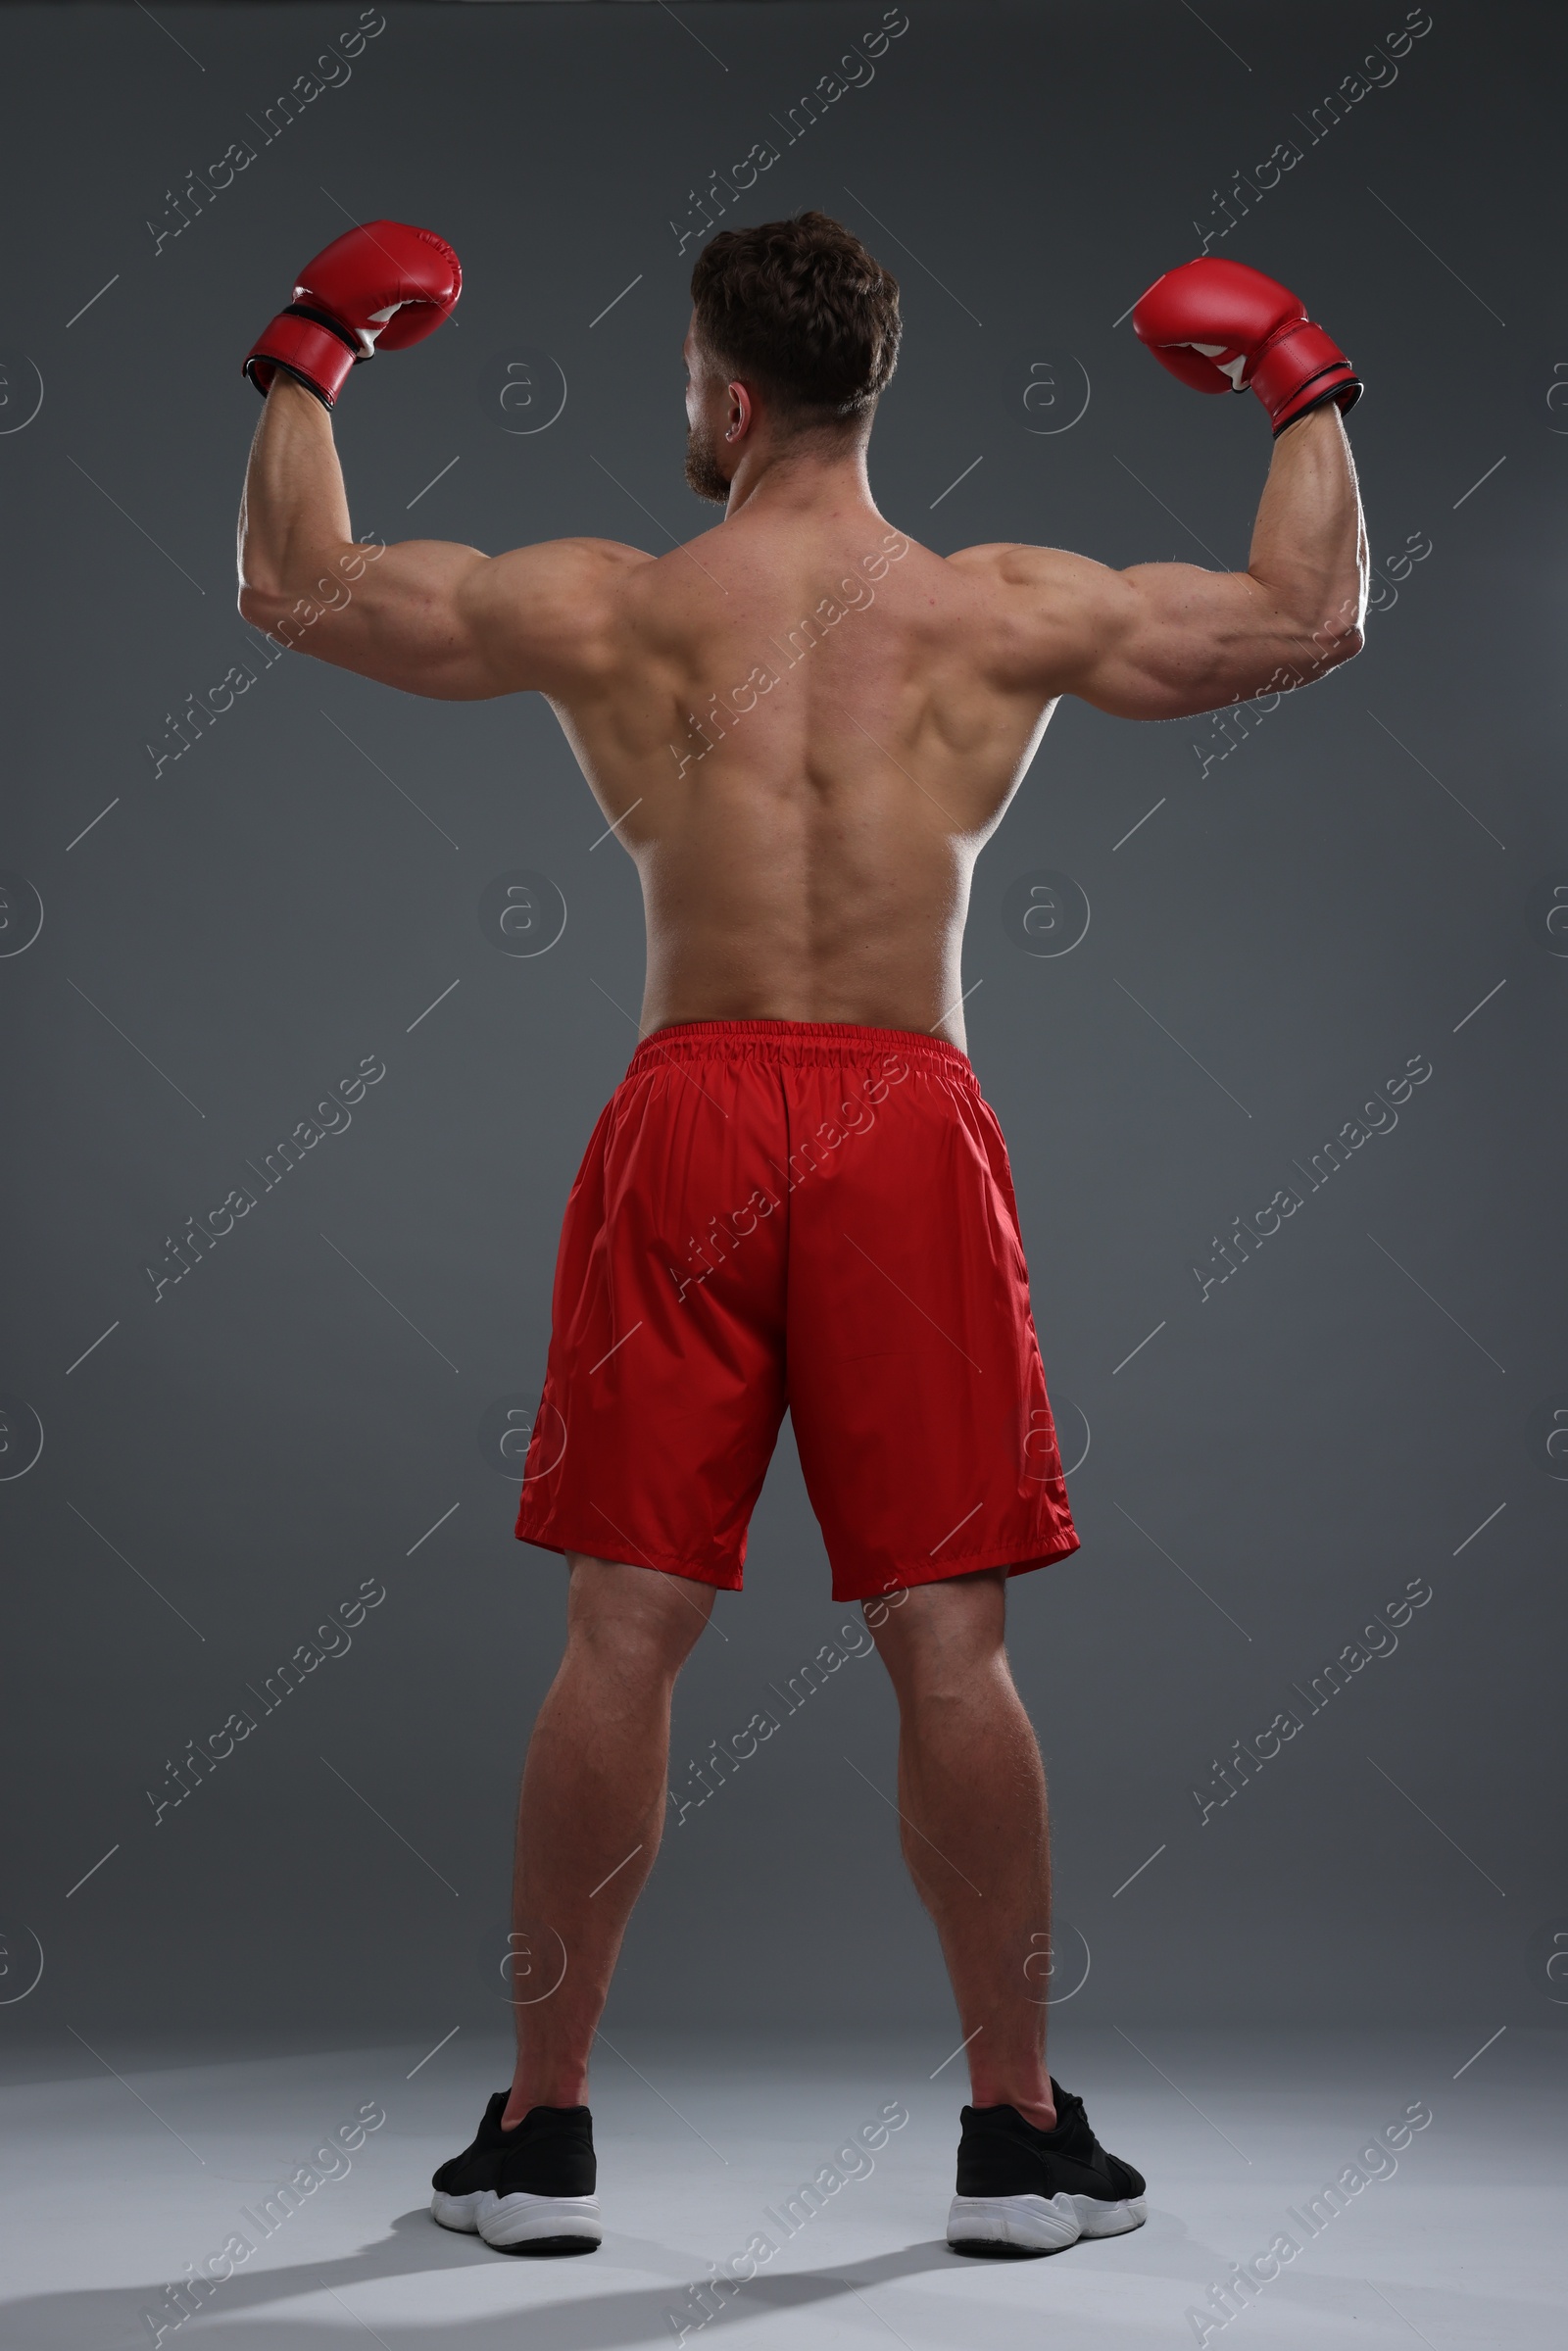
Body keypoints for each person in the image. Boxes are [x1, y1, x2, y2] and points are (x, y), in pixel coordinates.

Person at [236, 210, 1365, 2258]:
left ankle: (541, 2136)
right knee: (950, 1642)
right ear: (868, 390)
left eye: (685, 380)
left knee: (622, 1630)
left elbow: (291, 584)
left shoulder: (611, 605)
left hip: (685, 1110)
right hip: (903, 1118)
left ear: (723, 395)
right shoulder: (1002, 607)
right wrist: (1303, 385)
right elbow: (1307, 619)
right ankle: (1014, 2141)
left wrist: (306, 350)